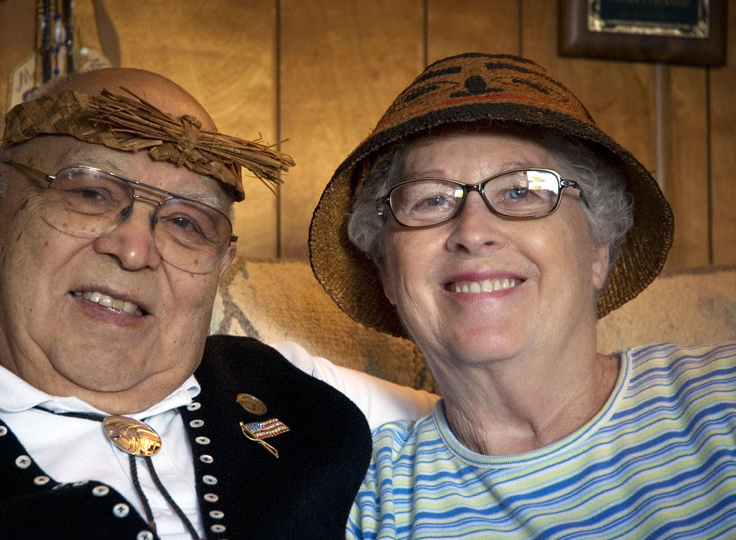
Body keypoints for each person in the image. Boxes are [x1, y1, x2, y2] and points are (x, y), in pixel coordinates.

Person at [0, 68, 437, 539]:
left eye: (188, 222)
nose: (134, 249)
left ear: (220, 264)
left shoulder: (302, 391)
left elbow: (519, 433)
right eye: (89, 193)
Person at [307, 52, 736, 539]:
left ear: (598, 248)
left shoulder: (723, 400)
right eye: (431, 199)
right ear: (386, 271)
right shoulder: (364, 499)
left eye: (521, 191)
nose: (473, 231)